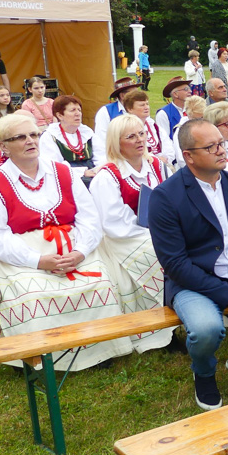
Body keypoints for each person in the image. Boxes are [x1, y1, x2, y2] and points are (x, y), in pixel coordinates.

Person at [148, 119, 228, 410]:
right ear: (189, 156)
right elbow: (175, 263)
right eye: (212, 146)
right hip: (194, 282)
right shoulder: (165, 197)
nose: (222, 150)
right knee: (205, 330)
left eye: (222, 142)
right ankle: (203, 373)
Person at [0, 114, 130, 371]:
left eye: (34, 134)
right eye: (20, 137)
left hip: (72, 245)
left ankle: (98, 350)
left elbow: (90, 218)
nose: (30, 141)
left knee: (98, 283)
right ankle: (35, 356)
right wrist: (38, 260)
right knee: (30, 292)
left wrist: (80, 253)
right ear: (3, 146)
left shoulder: (62, 172)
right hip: (23, 252)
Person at [89, 114, 174, 353]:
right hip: (123, 238)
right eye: (131, 136)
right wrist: (155, 229)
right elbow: (113, 222)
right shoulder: (107, 176)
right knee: (158, 255)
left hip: (158, 230)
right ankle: (159, 328)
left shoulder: (157, 166)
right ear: (117, 142)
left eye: (142, 134)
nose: (140, 140)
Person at [38, 95, 97, 181]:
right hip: (66, 178)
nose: (78, 114)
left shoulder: (87, 132)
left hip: (93, 174)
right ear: (60, 115)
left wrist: (99, 169)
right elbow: (53, 166)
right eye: (73, 110)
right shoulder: (50, 136)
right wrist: (82, 172)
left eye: (79, 110)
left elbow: (100, 155)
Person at [93, 77, 142, 166]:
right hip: (117, 160)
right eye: (134, 93)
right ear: (122, 96)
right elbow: (101, 141)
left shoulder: (140, 109)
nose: (138, 96)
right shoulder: (106, 112)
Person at [122, 88, 174, 167]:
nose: (146, 107)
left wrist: (164, 160)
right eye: (142, 105)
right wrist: (155, 160)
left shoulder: (154, 126)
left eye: (147, 104)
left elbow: (169, 149)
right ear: (130, 109)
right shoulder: (124, 128)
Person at [157, 76, 192, 144]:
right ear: (175, 94)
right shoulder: (163, 114)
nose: (190, 91)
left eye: (189, 88)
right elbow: (164, 140)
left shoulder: (193, 109)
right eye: (186, 89)